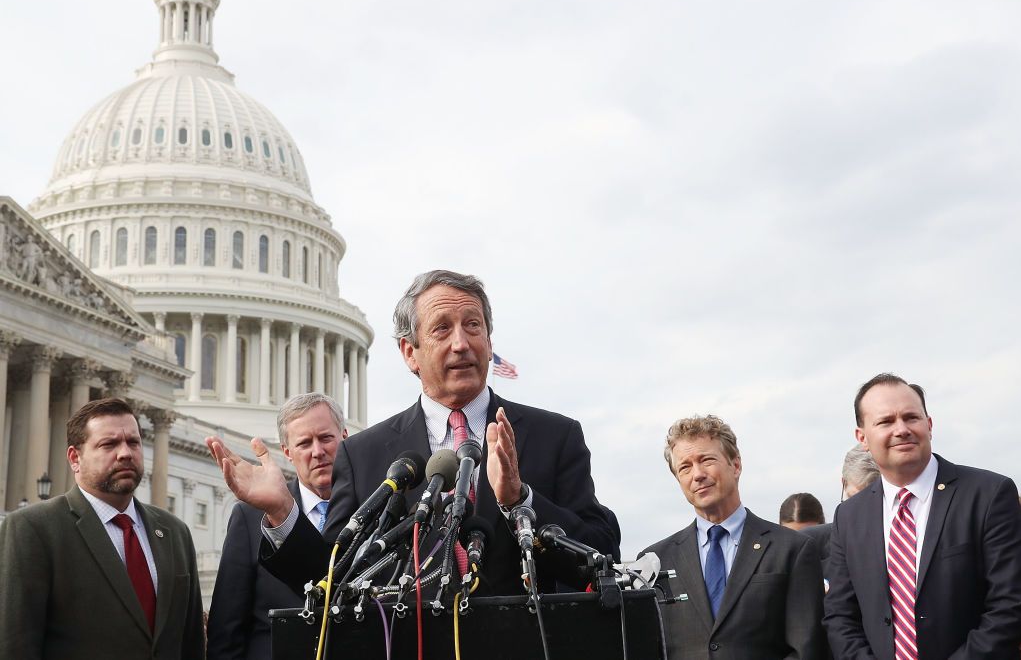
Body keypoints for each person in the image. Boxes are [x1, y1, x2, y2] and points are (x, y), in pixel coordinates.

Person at [206, 269, 620, 596]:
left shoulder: (554, 436)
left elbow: (600, 553)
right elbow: (330, 579)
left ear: (489, 340)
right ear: (410, 353)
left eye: (473, 325)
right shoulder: (366, 455)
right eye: (442, 329)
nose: (461, 343)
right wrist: (283, 513)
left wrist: (520, 501)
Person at [823, 373, 1021, 659]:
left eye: (911, 417)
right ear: (862, 437)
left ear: (929, 425)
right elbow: (840, 616)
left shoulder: (988, 495)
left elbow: (1010, 605)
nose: (902, 429)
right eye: (885, 421)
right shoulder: (849, 516)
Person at [0, 398, 204, 659]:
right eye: (109, 444)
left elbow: (191, 642)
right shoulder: (33, 529)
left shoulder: (175, 532)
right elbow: (15, 645)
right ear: (75, 458)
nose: (125, 453)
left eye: (133, 442)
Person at [641, 415, 826, 660]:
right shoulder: (656, 561)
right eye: (685, 467)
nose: (697, 474)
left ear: (736, 465)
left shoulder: (793, 549)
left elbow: (807, 649)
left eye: (706, 460)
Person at [207, 392, 347, 660]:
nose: (318, 452)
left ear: (344, 437)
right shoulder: (250, 519)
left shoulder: (379, 510)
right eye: (304, 443)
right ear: (287, 453)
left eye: (326, 438)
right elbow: (227, 627)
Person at [802, 446, 879, 576]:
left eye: (871, 501)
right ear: (843, 482)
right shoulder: (808, 544)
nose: (861, 511)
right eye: (854, 499)